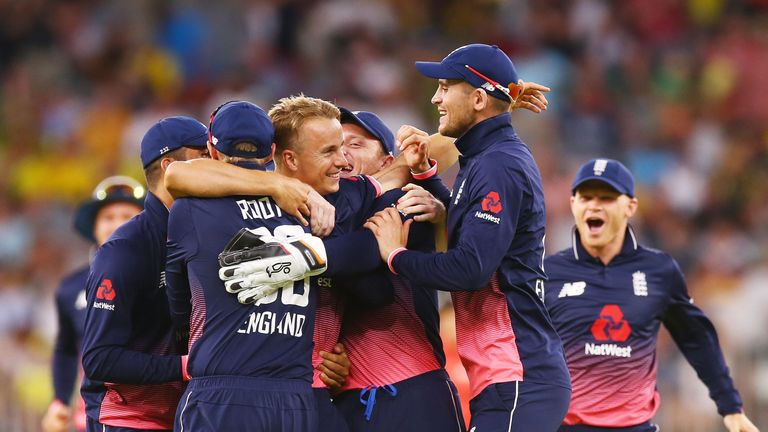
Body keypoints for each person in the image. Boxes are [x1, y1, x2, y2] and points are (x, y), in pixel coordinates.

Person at [363, 43, 572, 431]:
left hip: (516, 372)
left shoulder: (498, 164)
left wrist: (396, 255)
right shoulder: (484, 158)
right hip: (506, 377)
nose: (435, 97)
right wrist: (428, 178)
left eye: (445, 87)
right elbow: (475, 234)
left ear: (477, 98)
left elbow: (469, 268)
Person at [543, 158, 760, 432]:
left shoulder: (659, 270)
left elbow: (695, 336)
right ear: (573, 204)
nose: (594, 205)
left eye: (607, 198)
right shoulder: (547, 272)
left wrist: (730, 406)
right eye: (585, 197)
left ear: (630, 206)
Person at [166, 100, 334, 431]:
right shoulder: (308, 205)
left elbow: (176, 303)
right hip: (295, 397)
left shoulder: (190, 209)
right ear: (272, 152)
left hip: (221, 392)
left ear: (212, 151)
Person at [80, 116, 211, 432]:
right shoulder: (125, 250)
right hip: (132, 419)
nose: (215, 168)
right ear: (169, 167)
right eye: (203, 158)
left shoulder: (206, 231)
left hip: (189, 414)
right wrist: (186, 366)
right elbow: (100, 359)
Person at [42, 176, 145, 432]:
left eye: (128, 215)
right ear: (94, 226)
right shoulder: (70, 288)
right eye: (108, 217)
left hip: (156, 415)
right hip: (94, 418)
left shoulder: (170, 277)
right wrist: (59, 401)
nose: (118, 224)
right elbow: (66, 349)